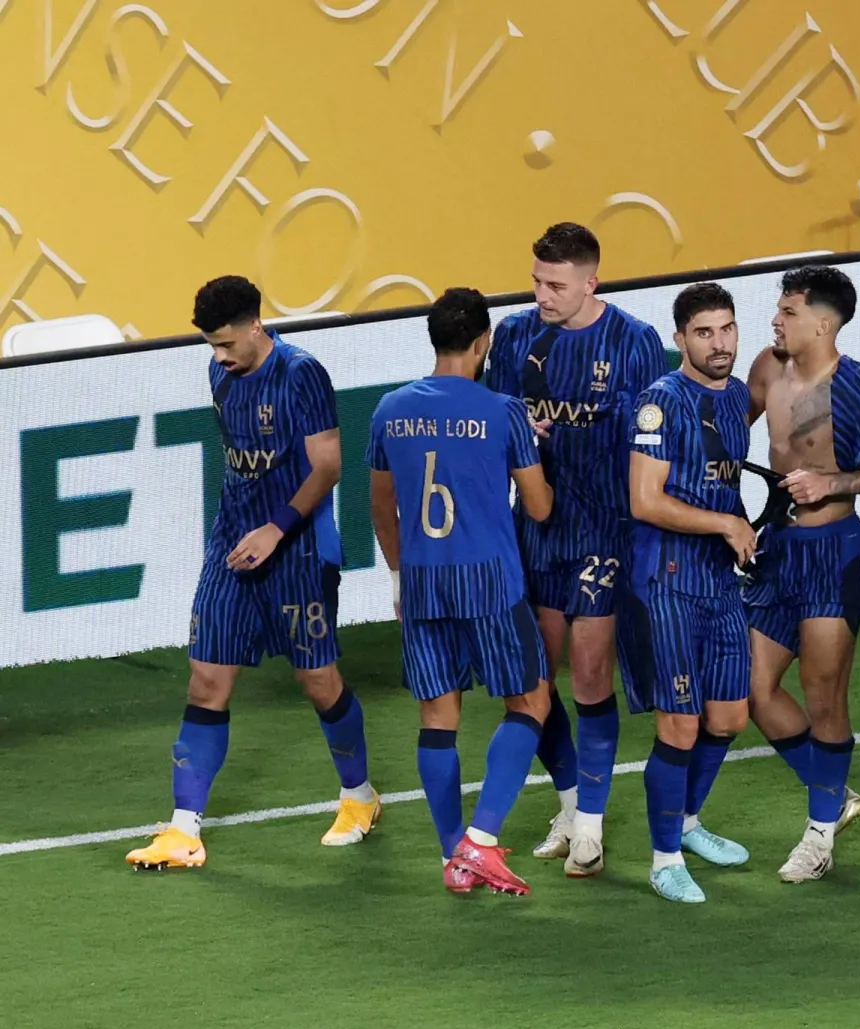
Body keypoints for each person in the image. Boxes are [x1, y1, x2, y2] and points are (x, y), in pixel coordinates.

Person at [127, 276, 378, 870]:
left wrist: (276, 528)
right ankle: (184, 829)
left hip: (297, 549)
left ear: (255, 326)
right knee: (206, 679)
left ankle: (359, 797)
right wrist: (243, 532)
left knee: (319, 682)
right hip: (232, 547)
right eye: (210, 347)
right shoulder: (221, 374)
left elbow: (328, 465)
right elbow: (243, 465)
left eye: (224, 344)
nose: (218, 357)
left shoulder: (301, 373)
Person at [485, 223, 669, 877]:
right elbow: (489, 421)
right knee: (533, 680)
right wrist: (516, 434)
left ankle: (590, 826)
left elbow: (656, 438)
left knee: (591, 673)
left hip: (605, 531)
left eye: (556, 284)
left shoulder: (635, 342)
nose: (542, 294)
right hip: (534, 530)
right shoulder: (512, 337)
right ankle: (568, 802)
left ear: (592, 282)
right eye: (536, 280)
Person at [367, 287, 555, 895]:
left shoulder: (389, 409)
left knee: (438, 719)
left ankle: (453, 856)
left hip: (422, 581)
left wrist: (399, 575)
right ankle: (481, 841)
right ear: (485, 342)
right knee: (531, 702)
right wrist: (532, 446)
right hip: (489, 581)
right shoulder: (502, 412)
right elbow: (540, 506)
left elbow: (381, 505)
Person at [745, 265, 860, 883]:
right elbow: (719, 426)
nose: (776, 319)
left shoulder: (854, 384)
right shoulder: (767, 371)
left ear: (823, 323)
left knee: (825, 697)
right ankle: (837, 794)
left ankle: (819, 836)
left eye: (789, 311)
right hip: (777, 550)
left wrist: (836, 480)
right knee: (754, 690)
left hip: (835, 553)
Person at [624, 283, 755, 903]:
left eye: (726, 329)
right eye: (704, 332)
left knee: (729, 716)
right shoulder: (659, 402)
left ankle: (688, 821)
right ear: (680, 340)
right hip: (666, 585)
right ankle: (663, 858)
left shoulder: (734, 398)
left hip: (719, 583)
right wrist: (727, 523)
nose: (720, 342)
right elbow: (644, 500)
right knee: (679, 725)